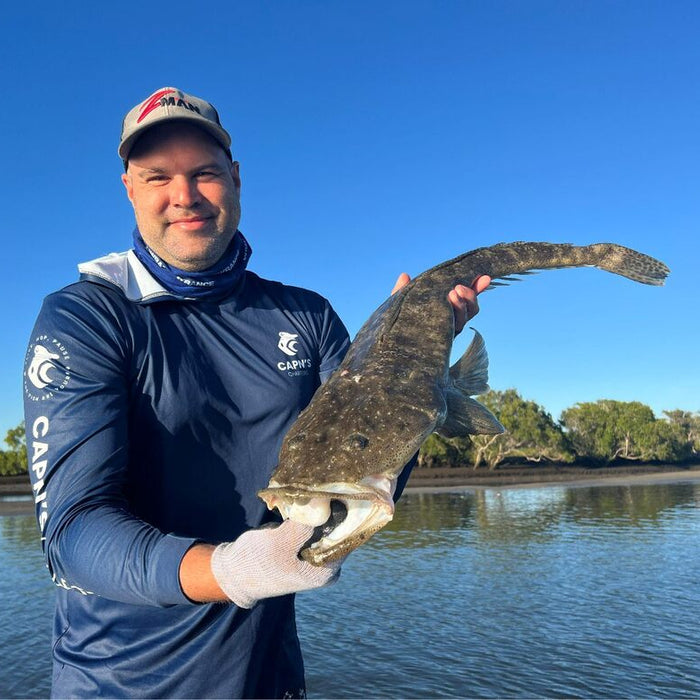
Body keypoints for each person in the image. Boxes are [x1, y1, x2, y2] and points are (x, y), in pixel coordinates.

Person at [23, 87, 490, 698]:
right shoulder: (85, 319)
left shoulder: (307, 316)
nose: (184, 196)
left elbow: (368, 459)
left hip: (273, 679)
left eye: (205, 173)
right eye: (157, 176)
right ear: (129, 189)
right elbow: (74, 536)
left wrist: (414, 357)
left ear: (236, 179)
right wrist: (232, 570)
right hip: (119, 684)